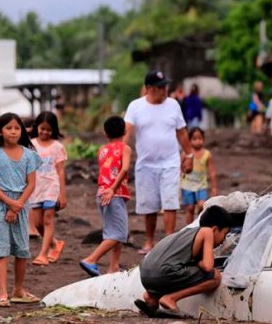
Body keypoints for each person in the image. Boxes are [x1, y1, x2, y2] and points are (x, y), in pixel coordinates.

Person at [124, 70, 194, 254]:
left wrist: (190, 155)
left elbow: (181, 131)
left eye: (165, 86)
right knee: (149, 205)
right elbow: (127, 130)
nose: (165, 90)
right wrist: (119, 153)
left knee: (170, 202)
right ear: (149, 89)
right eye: (161, 87)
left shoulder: (173, 105)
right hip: (146, 164)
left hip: (170, 162)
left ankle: (169, 241)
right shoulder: (135, 106)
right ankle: (149, 242)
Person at [0, 113, 42, 307]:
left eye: (17, 128)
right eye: (9, 128)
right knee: (1, 250)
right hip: (0, 204)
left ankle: (18, 290)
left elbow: (31, 184)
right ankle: (2, 293)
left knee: (21, 250)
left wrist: (17, 206)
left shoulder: (30, 155)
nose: (13, 131)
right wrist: (10, 203)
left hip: (21, 205)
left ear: (22, 131)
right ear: (0, 131)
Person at [134, 205, 232, 318]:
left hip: (145, 274)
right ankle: (170, 299)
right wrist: (201, 263)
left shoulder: (186, 233)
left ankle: (152, 298)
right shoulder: (207, 232)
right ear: (215, 229)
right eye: (224, 235)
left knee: (179, 271)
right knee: (215, 277)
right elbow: (208, 266)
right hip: (163, 272)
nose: (223, 241)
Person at [79, 115, 132, 277]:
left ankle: (114, 267)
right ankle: (91, 259)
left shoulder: (102, 150)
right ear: (124, 131)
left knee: (113, 231)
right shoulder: (125, 148)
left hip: (102, 193)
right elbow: (124, 169)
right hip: (112, 194)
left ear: (105, 134)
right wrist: (113, 189)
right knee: (120, 233)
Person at [28, 112, 67, 266]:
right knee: (38, 224)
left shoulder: (57, 147)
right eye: (42, 128)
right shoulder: (31, 145)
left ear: (54, 130)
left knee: (48, 219)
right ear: (37, 127)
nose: (44, 132)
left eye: (48, 130)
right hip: (36, 188)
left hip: (52, 186)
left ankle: (43, 254)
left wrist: (62, 195)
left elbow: (60, 171)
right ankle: (55, 244)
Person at [180, 127, 218, 225]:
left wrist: (214, 187)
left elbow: (212, 171)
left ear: (203, 139)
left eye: (200, 138)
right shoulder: (185, 154)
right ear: (189, 140)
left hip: (201, 185)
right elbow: (180, 169)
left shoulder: (207, 154)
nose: (198, 141)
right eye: (194, 139)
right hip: (187, 185)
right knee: (190, 207)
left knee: (202, 204)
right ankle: (189, 228)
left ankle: (199, 224)